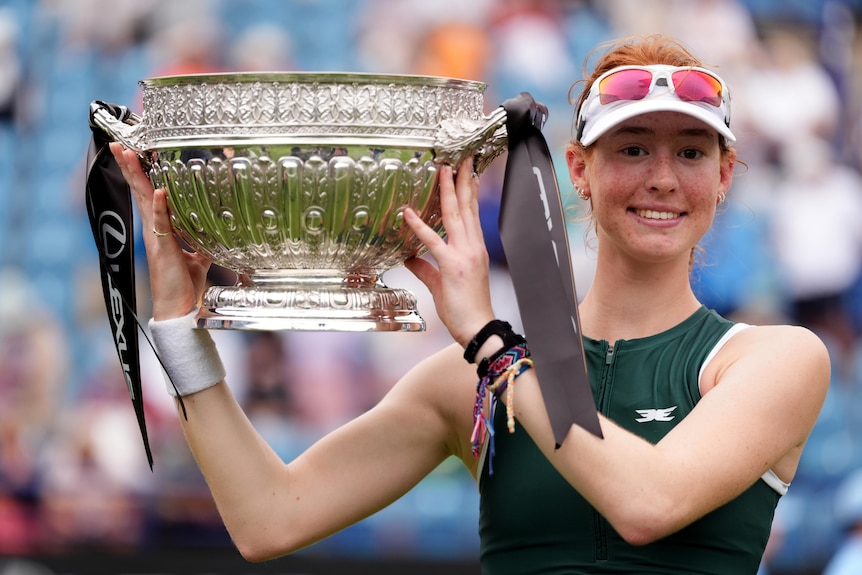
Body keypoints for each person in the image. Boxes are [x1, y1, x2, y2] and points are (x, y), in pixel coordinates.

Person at [109, 34, 830, 574]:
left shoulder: (775, 359)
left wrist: (493, 343)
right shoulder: (472, 383)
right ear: (579, 168)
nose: (664, 179)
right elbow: (266, 517)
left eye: (693, 153)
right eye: (633, 149)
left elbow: (648, 505)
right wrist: (178, 322)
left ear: (726, 174)